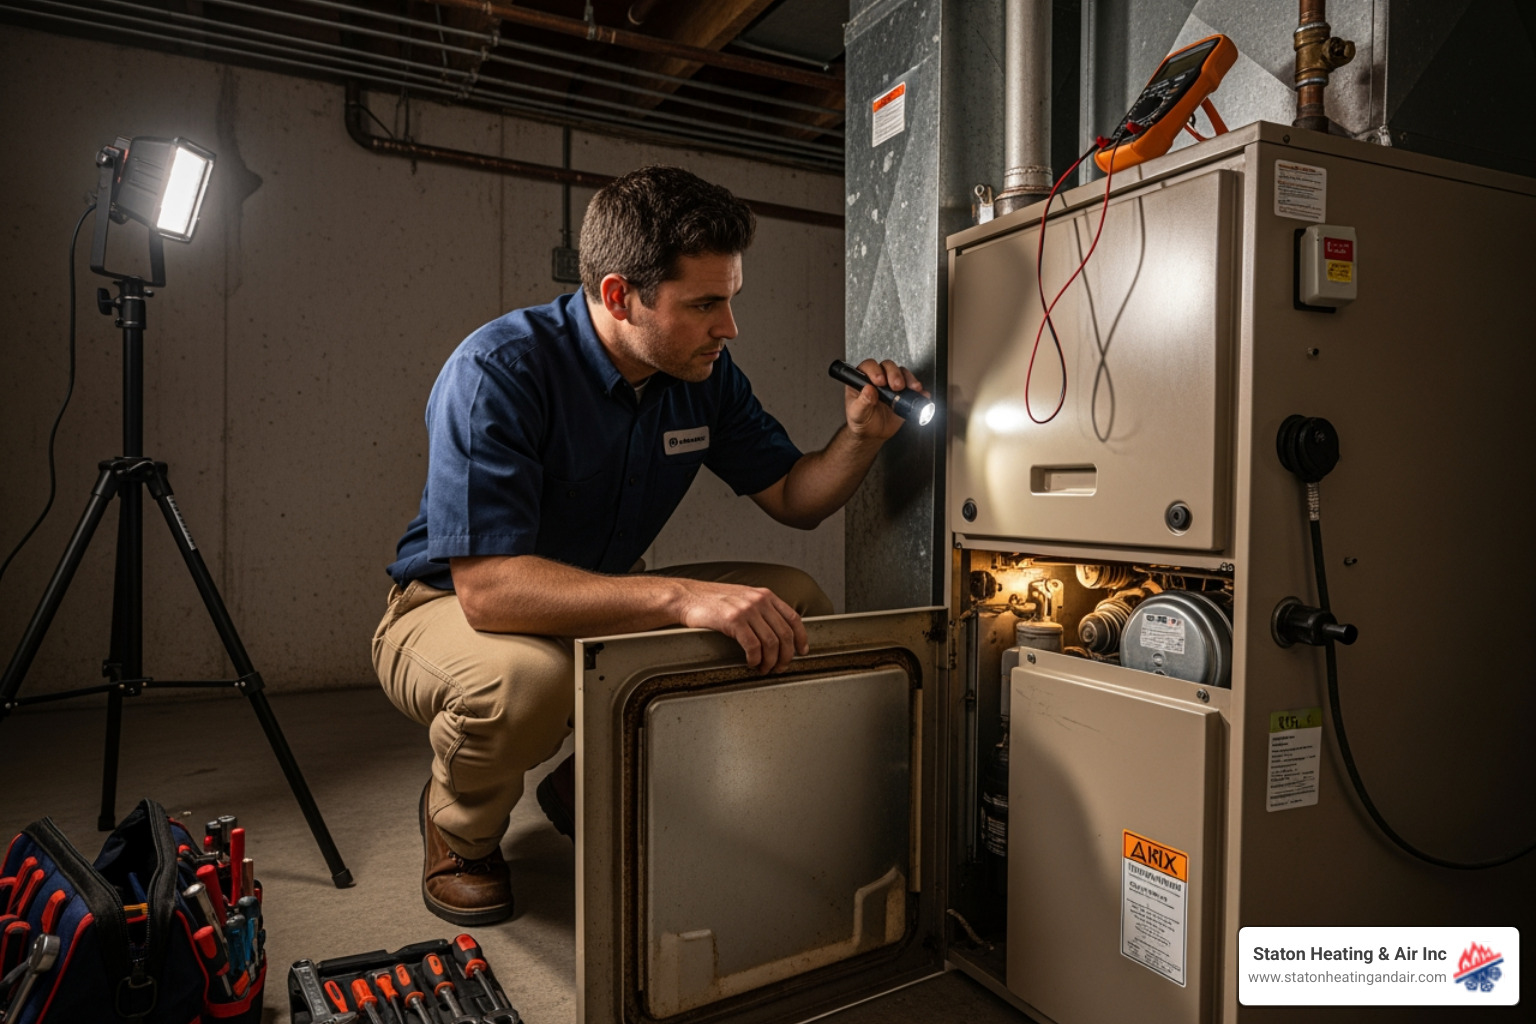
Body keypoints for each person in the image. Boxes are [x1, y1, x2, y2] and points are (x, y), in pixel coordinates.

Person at [372, 165, 926, 926]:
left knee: (792, 602)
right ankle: (458, 829)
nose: (728, 327)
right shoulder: (498, 370)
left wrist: (862, 437)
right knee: (521, 684)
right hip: (450, 608)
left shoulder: (705, 375)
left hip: (597, 597)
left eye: (729, 299)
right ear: (617, 295)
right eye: (704, 305)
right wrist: (680, 596)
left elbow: (797, 498)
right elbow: (490, 590)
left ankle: (582, 781)